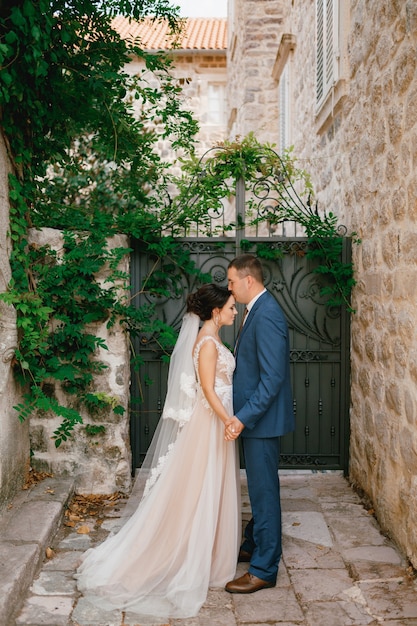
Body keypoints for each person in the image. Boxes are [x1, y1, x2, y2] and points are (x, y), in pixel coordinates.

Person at [75, 284, 241, 619]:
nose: (235, 312)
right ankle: (182, 556)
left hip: (215, 422)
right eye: (231, 308)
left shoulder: (212, 338)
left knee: (206, 488)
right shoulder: (207, 343)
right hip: (210, 423)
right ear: (215, 312)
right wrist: (229, 420)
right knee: (197, 489)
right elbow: (208, 389)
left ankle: (207, 554)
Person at [224, 254, 295, 594]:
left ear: (247, 280)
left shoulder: (266, 315)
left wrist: (242, 417)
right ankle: (253, 542)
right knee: (258, 489)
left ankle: (264, 568)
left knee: (264, 493)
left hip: (261, 422)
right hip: (257, 420)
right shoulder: (256, 310)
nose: (229, 288)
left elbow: (272, 378)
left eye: (231, 282)